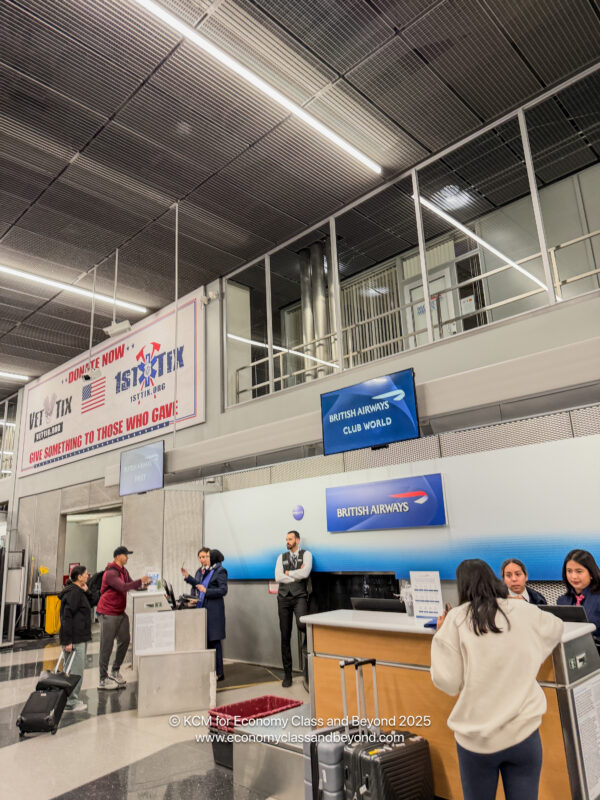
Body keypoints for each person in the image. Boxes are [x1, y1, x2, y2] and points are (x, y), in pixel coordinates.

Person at [431, 558, 563, 800]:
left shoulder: (456, 619)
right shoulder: (523, 610)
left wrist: (439, 638)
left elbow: (447, 682)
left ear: (463, 586)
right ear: (494, 578)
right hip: (524, 735)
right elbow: (556, 628)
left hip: (477, 741)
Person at [96, 546, 151, 690]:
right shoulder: (111, 573)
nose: (127, 557)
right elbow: (122, 587)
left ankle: (115, 670)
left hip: (120, 612)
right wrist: (140, 581)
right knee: (106, 645)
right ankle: (102, 678)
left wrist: (145, 585)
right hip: (108, 612)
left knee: (125, 640)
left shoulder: (123, 571)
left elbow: (131, 585)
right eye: (126, 555)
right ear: (118, 556)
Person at [181, 547, 228, 681]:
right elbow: (200, 585)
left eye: (207, 556)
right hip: (202, 609)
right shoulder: (205, 570)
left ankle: (219, 673)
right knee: (206, 640)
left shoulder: (220, 570)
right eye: (202, 557)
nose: (204, 559)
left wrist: (206, 591)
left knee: (215, 641)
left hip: (214, 611)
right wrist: (188, 577)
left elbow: (223, 590)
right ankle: (209, 670)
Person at [275, 530, 312, 688]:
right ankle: (287, 674)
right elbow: (278, 577)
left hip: (299, 596)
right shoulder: (280, 557)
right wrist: (295, 574)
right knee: (285, 635)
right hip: (283, 598)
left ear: (297, 540)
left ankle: (308, 662)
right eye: (286, 539)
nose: (287, 541)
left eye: (290, 539)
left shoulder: (307, 555)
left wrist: (288, 573)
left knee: (303, 625)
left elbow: (306, 573)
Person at [59, 565, 93, 712]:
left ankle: (67, 699)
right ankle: (71, 701)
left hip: (77, 637)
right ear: (79, 577)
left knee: (70, 669)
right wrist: (67, 641)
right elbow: (67, 617)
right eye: (86, 574)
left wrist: (87, 591)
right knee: (76, 670)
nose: (88, 576)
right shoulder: (74, 593)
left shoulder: (79, 591)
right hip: (75, 639)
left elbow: (93, 602)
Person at [557, 549, 600, 642]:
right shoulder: (562, 601)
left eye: (579, 571)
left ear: (591, 574)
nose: (573, 576)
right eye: (569, 571)